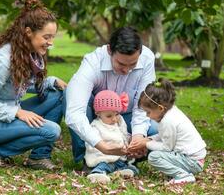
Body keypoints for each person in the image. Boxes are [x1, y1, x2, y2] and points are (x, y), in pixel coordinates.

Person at [0, 0, 67, 170]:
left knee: (58, 95)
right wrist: (18, 112)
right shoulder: (3, 60)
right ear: (28, 32)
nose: (51, 43)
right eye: (46, 37)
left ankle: (39, 157)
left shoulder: (27, 53)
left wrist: (51, 81)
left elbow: (23, 85)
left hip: (9, 113)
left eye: (52, 37)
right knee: (52, 131)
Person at [65, 26, 157, 168]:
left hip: (127, 117)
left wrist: (139, 136)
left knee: (158, 131)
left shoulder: (147, 58)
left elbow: (143, 102)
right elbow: (74, 113)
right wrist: (101, 146)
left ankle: (127, 158)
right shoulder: (92, 63)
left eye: (132, 64)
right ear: (109, 50)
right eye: (121, 64)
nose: (126, 70)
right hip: (98, 120)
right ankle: (88, 159)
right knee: (69, 93)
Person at [134, 78, 206, 184]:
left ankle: (183, 175)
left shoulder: (168, 121)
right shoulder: (171, 112)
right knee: (155, 150)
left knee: (154, 157)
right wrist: (149, 139)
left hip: (192, 162)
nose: (147, 116)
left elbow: (167, 148)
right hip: (194, 158)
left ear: (160, 108)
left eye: (148, 112)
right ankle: (181, 172)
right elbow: (163, 136)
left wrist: (146, 143)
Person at [85, 90, 139, 183]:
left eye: (117, 114)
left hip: (119, 158)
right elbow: (91, 145)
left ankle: (119, 172)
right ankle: (98, 173)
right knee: (104, 165)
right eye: (109, 116)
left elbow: (124, 135)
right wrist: (107, 151)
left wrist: (129, 143)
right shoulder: (96, 126)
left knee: (130, 167)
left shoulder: (120, 121)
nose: (114, 119)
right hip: (104, 158)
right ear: (98, 113)